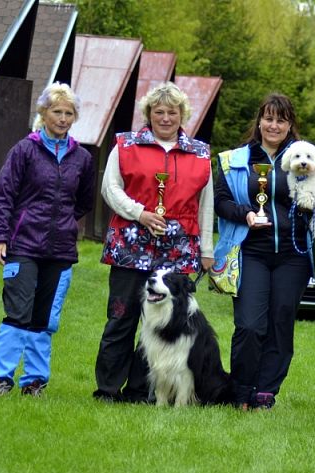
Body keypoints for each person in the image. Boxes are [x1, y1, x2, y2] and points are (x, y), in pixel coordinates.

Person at [93, 82, 214, 403]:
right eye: (158, 112)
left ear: (182, 115)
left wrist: (207, 251)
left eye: (172, 112)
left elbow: (206, 204)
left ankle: (141, 391)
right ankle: (107, 389)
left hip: (177, 251)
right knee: (121, 318)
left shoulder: (200, 153)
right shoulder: (126, 145)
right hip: (130, 246)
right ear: (148, 114)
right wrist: (140, 213)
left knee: (164, 325)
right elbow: (110, 188)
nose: (165, 118)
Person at [214, 93, 315, 410]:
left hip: (293, 257)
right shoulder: (236, 160)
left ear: (290, 124)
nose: (274, 125)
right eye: (268, 118)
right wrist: (246, 214)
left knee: (281, 323)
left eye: (281, 119)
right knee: (250, 325)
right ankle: (240, 391)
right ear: (259, 121)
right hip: (250, 253)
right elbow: (221, 201)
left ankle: (265, 392)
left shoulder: (305, 157)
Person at [0, 82, 94, 396]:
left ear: (74, 118)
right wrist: (0, 237)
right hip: (22, 246)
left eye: (68, 113)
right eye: (56, 112)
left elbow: (84, 200)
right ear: (43, 113)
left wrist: (60, 222)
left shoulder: (82, 158)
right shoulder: (25, 150)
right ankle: (1, 380)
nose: (62, 118)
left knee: (45, 318)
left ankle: (34, 381)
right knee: (18, 313)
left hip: (60, 250)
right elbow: (3, 195)